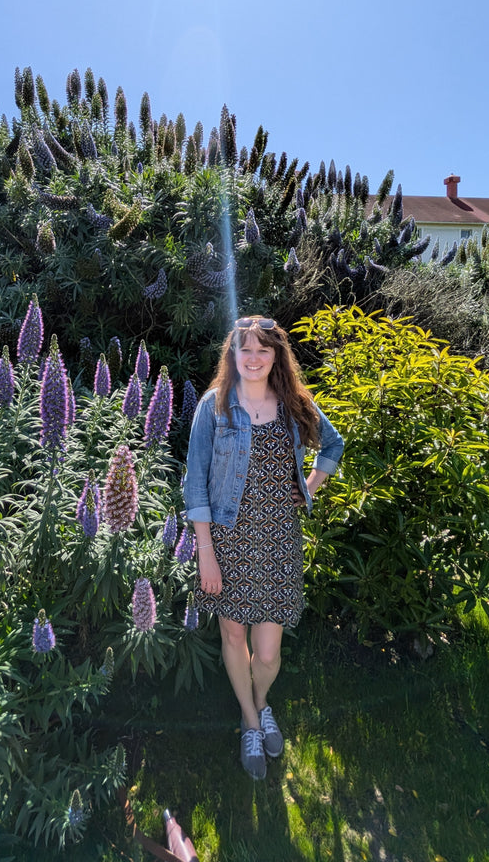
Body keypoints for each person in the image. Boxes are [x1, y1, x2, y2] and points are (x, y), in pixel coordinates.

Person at [183, 316, 344, 780]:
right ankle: (252, 722)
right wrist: (205, 551)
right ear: (232, 356)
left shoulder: (294, 403)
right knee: (234, 635)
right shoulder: (214, 407)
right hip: (227, 540)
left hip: (278, 540)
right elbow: (195, 484)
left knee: (268, 653)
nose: (253, 358)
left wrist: (309, 486)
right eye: (244, 350)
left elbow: (332, 445)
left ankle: (259, 699)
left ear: (276, 357)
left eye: (262, 350)